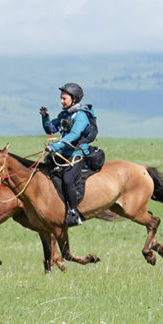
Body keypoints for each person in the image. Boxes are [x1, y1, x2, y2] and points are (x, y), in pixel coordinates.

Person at [40, 82, 98, 226]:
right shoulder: (65, 115)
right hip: (64, 153)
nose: (61, 101)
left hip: (77, 153)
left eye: (64, 98)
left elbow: (74, 134)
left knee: (67, 179)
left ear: (74, 99)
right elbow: (50, 129)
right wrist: (45, 117)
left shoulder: (81, 116)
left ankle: (73, 212)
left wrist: (55, 146)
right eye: (61, 98)